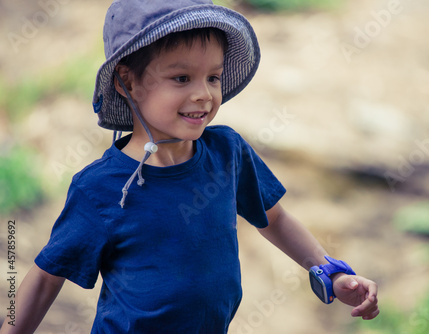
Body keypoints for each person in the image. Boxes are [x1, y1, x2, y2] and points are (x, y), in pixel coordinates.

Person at [0, 0, 379, 333]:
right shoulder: (100, 189)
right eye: (181, 78)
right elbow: (46, 279)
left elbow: (275, 219)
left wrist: (331, 272)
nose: (204, 94)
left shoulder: (227, 152)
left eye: (212, 77)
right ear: (127, 82)